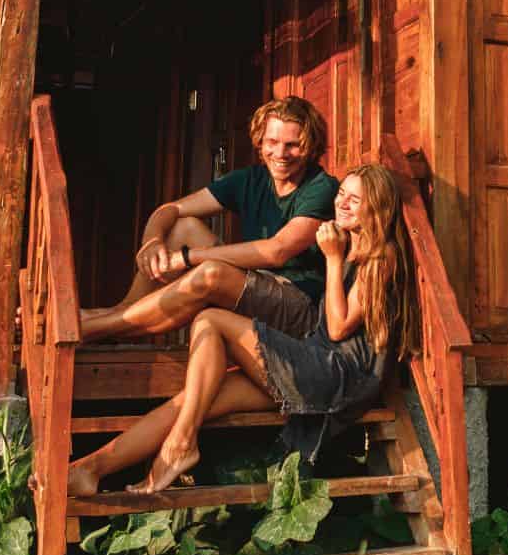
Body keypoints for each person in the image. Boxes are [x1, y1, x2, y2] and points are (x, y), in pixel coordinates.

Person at [65, 163, 418, 496]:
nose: (341, 203)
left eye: (355, 199)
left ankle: (182, 442)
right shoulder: (348, 246)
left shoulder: (380, 258)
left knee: (209, 320)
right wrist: (335, 256)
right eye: (341, 193)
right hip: (316, 364)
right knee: (194, 399)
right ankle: (90, 469)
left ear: (378, 209)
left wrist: (332, 258)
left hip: (339, 377)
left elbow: (340, 328)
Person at [79, 97, 338, 342]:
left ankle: (91, 328)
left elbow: (276, 251)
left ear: (310, 146)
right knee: (183, 227)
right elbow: (170, 210)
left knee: (212, 272)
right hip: (255, 284)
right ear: (260, 140)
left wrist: (188, 257)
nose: (280, 153)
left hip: (299, 305)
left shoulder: (320, 187)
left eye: (293, 145)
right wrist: (152, 242)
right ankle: (123, 312)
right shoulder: (251, 179)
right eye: (272, 141)